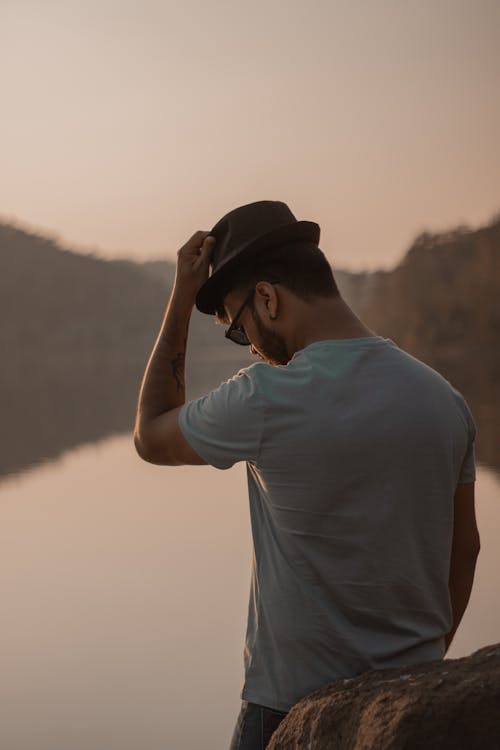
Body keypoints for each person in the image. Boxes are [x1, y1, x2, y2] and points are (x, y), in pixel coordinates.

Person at [134, 200, 480, 750]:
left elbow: (151, 434)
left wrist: (180, 297)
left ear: (267, 298)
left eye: (237, 327)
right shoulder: (445, 400)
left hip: (287, 712)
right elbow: (466, 550)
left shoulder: (266, 398)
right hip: (412, 699)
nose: (247, 345)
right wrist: (423, 670)